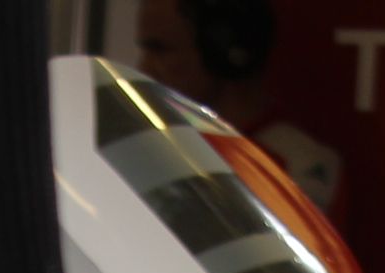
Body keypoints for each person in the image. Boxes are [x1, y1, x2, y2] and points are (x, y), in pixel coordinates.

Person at [130, 0, 343, 218]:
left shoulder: (296, 165)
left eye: (160, 50)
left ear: (222, 51)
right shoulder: (148, 147)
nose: (144, 68)